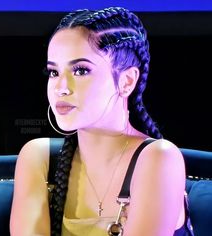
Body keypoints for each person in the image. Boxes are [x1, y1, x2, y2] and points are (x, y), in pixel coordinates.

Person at [10, 6, 194, 236]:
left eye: (80, 71)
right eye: (54, 72)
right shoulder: (38, 157)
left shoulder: (159, 158)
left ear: (127, 81)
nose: (61, 88)